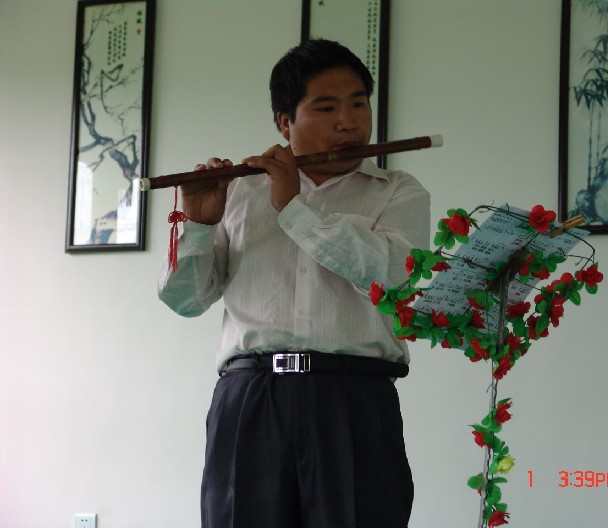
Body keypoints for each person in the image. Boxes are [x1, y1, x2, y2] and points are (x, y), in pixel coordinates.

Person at [158, 38, 430, 528]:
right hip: (250, 398)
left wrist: (293, 209)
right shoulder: (240, 190)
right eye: (326, 107)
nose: (347, 121)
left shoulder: (398, 192)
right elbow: (184, 300)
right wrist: (198, 223)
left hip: (354, 398)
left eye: (358, 104)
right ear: (285, 123)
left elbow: (394, 276)